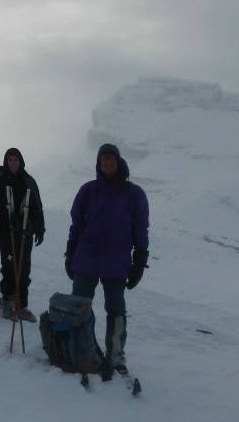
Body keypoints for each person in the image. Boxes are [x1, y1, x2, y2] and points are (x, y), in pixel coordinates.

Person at [65, 143, 149, 377]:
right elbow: (76, 225)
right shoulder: (88, 191)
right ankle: (82, 351)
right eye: (103, 159)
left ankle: (115, 357)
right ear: (98, 163)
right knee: (79, 305)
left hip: (116, 260)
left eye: (111, 158)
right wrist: (70, 253)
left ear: (118, 161)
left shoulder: (134, 194)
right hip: (87, 258)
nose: (107, 163)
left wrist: (140, 259)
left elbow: (140, 229)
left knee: (116, 309)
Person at [0, 148, 45, 322]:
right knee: (9, 266)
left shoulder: (29, 181)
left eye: (15, 160)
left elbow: (37, 207)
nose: (13, 163)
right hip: (5, 232)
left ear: (21, 161)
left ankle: (21, 305)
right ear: (5, 162)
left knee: (24, 268)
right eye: (10, 160)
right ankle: (9, 302)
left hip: (24, 232)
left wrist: (40, 229)